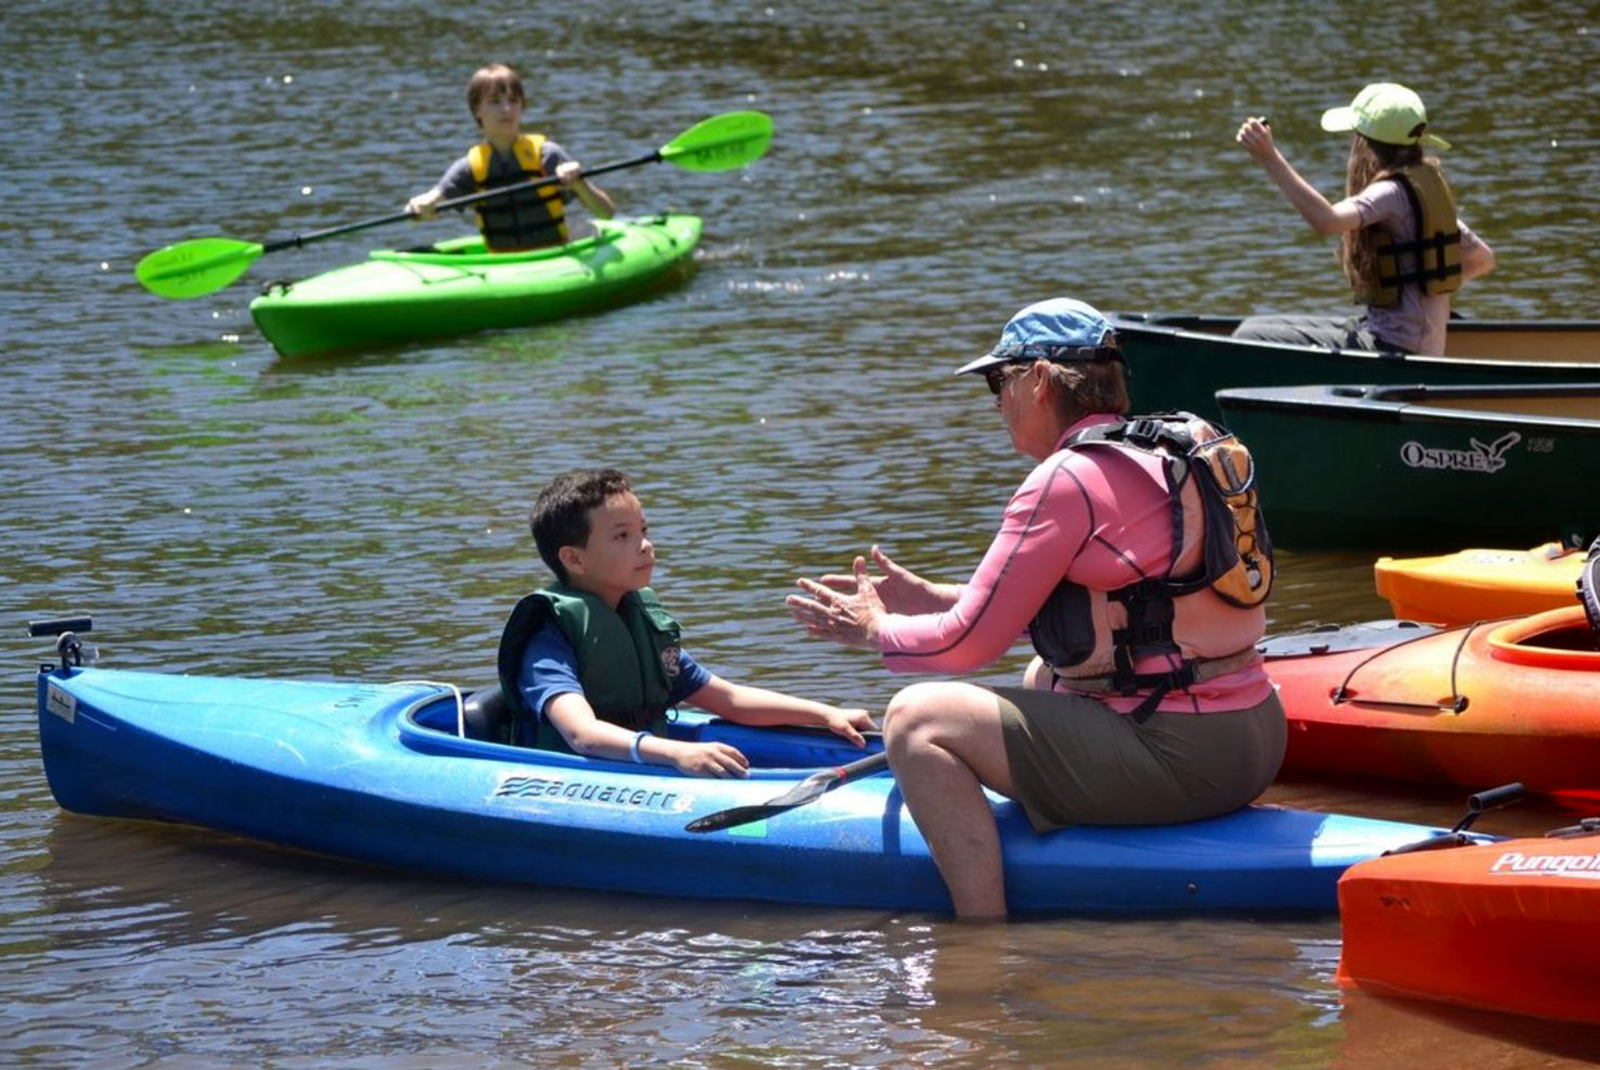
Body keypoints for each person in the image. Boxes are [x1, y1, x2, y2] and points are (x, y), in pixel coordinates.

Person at [785, 298, 1286, 920]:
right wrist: (936, 600)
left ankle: (981, 932)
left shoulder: (1065, 479)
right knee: (1043, 678)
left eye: (1000, 381)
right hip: (1259, 738)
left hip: (1184, 758)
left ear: (1040, 380)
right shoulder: (1172, 452)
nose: (996, 401)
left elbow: (963, 648)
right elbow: (1126, 614)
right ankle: (1062, 849)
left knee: (917, 718)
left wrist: (875, 628)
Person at [496, 468, 874, 776]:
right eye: (622, 536)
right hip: (575, 778)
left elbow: (730, 699)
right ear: (575, 560)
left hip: (643, 764)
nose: (644, 544)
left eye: (643, 530)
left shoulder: (639, 621)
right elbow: (582, 734)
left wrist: (826, 714)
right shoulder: (549, 638)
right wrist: (676, 753)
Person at [1234, 82, 1495, 356]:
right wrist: (1427, 296)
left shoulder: (1390, 192)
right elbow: (1483, 259)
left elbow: (1326, 221)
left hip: (1395, 347)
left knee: (1249, 335)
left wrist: (1269, 157)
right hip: (1403, 338)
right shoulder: (1421, 188)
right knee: (1257, 326)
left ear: (1366, 146)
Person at [406, 63, 615, 252]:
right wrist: (417, 208)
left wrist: (579, 183)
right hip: (504, 265)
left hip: (555, 254)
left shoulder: (548, 155)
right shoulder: (468, 168)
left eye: (513, 101)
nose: (506, 109)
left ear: (521, 106)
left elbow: (606, 212)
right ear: (477, 110)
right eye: (495, 102)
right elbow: (421, 210)